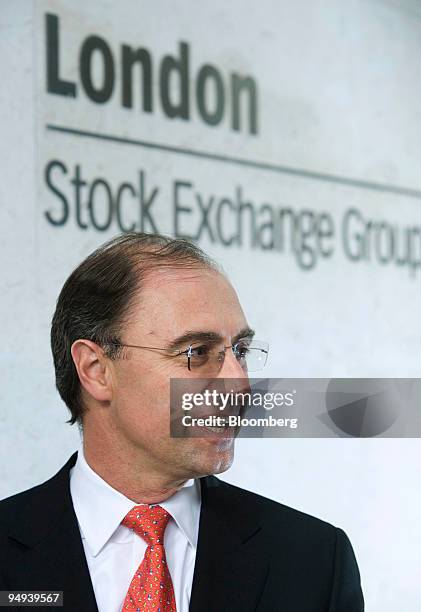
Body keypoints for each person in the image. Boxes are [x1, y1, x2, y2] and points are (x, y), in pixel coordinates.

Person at [0, 232, 364, 611]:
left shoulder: (314, 561)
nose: (239, 383)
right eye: (197, 352)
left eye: (240, 350)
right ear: (96, 370)